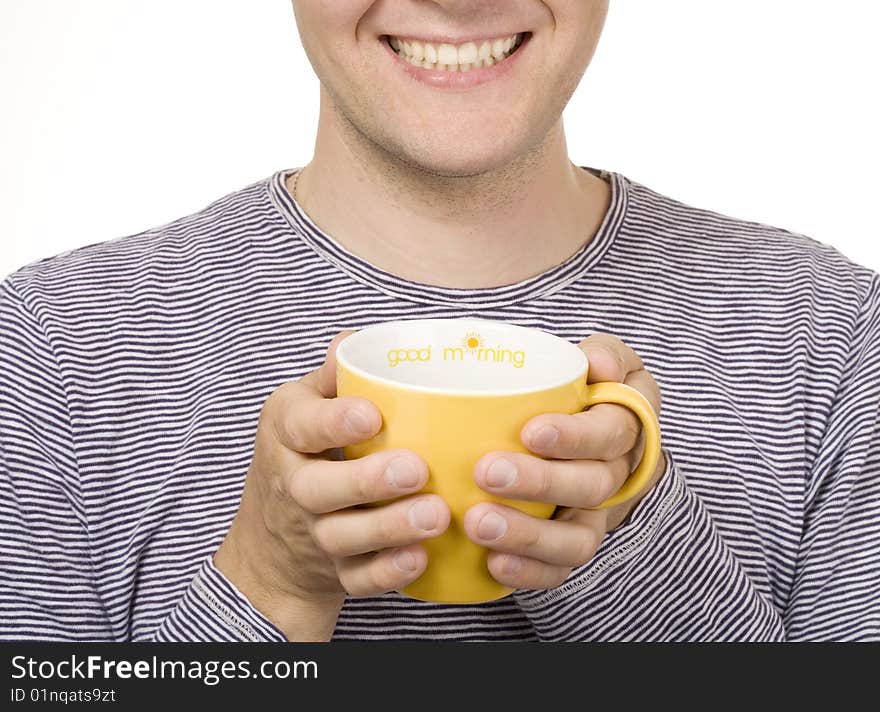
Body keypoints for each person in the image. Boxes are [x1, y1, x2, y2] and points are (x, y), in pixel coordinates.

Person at [1, 0, 877, 643]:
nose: (461, 1)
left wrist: (624, 540)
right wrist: (270, 588)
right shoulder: (48, 346)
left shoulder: (834, 334)